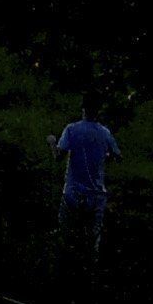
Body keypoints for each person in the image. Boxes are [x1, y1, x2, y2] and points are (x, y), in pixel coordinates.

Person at [53, 105, 120, 254]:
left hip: (72, 194)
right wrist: (103, 156)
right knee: (91, 244)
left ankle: (67, 270)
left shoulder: (71, 129)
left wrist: (52, 142)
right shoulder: (105, 133)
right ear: (98, 113)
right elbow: (117, 156)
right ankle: (89, 273)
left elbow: (58, 156)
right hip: (96, 196)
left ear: (83, 110)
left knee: (67, 239)